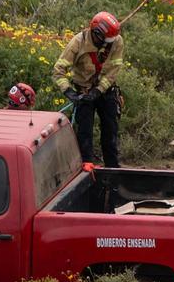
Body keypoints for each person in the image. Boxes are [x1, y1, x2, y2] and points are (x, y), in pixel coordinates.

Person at [53, 11, 124, 167]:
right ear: (96, 32)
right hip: (83, 92)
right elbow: (58, 70)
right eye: (105, 40)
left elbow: (114, 70)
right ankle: (86, 166)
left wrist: (98, 90)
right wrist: (69, 92)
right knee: (84, 132)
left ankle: (113, 168)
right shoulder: (78, 43)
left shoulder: (116, 41)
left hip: (106, 91)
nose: (108, 43)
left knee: (110, 130)